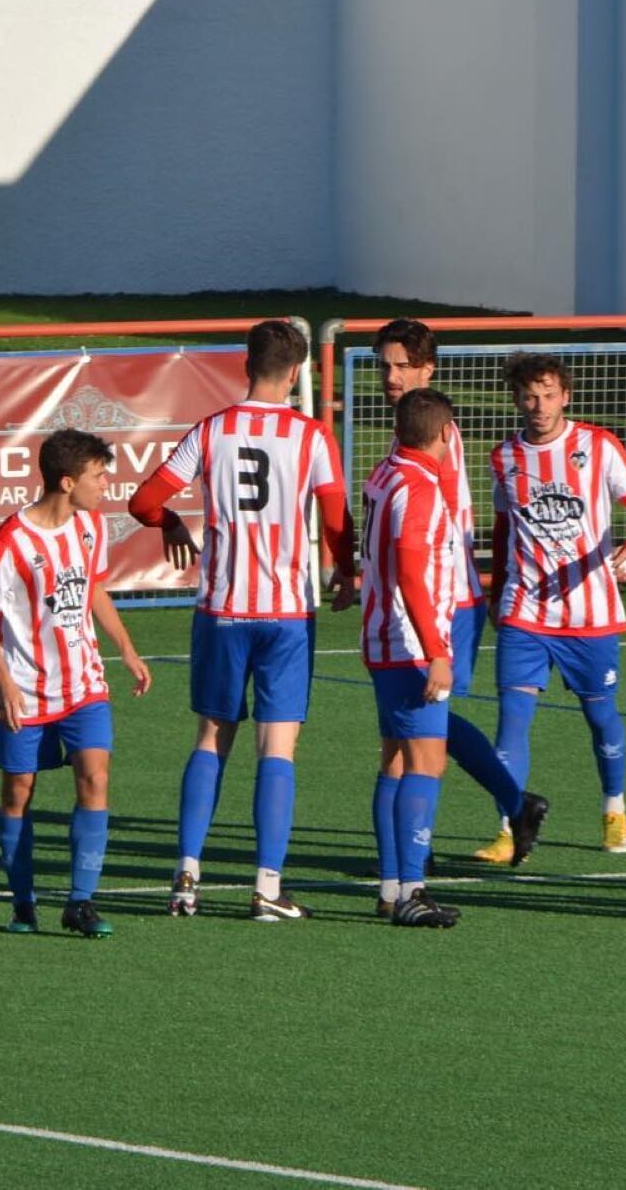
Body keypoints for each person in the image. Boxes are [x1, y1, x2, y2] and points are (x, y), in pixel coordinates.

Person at [128, 319, 355, 921]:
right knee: (276, 747)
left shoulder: (212, 431)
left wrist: (173, 522)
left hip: (223, 609)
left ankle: (186, 878)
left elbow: (143, 502)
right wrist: (348, 573)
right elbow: (335, 519)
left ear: (245, 365)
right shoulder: (311, 437)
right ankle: (267, 888)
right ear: (298, 372)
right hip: (284, 614)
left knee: (210, 738)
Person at [368, 320, 546, 869]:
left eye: (402, 365)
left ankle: (407, 869)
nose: (391, 376)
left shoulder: (437, 437)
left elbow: (436, 535)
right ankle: (403, 866)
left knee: (418, 741)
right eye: (384, 365)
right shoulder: (413, 434)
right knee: (405, 742)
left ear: (428, 368)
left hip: (442, 604)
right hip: (414, 605)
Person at [0, 429, 152, 938]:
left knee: (95, 774)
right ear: (67, 481)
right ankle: (23, 901)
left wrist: (126, 648)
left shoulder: (91, 526)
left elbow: (93, 590)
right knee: (18, 792)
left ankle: (81, 902)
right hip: (26, 688)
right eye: (98, 475)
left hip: (84, 683)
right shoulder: (12, 539)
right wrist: (3, 680)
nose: (106, 484)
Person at [487, 352, 626, 855]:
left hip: (590, 615)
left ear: (566, 397)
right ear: (516, 399)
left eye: (549, 394)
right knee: (512, 720)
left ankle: (614, 810)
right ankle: (509, 828)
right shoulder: (504, 457)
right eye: (530, 395)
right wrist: (496, 593)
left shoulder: (597, 446)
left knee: (601, 719)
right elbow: (501, 525)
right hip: (525, 612)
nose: (539, 405)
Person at [361, 389, 471, 926]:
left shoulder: (386, 473)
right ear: (447, 433)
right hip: (408, 646)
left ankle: (391, 885)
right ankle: (411, 889)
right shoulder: (420, 486)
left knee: (396, 761)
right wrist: (437, 653)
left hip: (381, 638)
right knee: (427, 763)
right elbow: (410, 571)